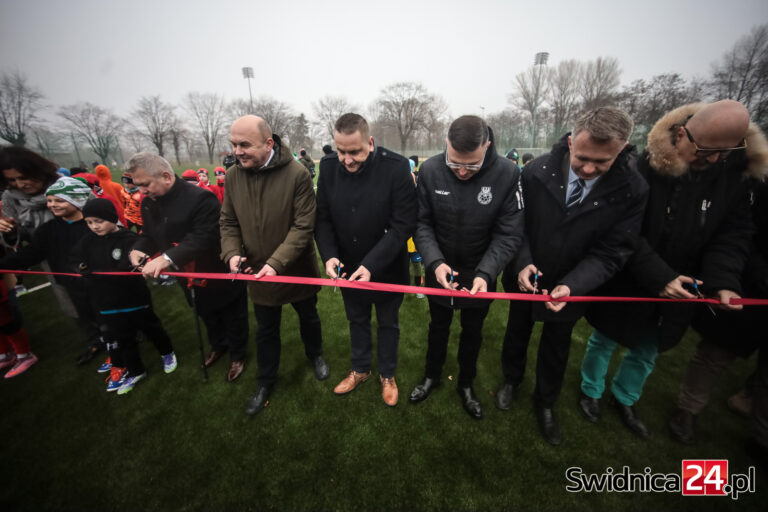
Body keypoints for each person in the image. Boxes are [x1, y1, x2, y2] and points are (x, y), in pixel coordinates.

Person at [576, 100, 762, 440]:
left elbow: (733, 234)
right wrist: (660, 277)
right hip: (631, 274)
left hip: (685, 285)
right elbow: (623, 230)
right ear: (681, 134)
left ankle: (625, 398)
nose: (714, 159)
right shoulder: (641, 167)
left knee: (649, 348)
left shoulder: (735, 177)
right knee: (604, 339)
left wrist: (724, 281)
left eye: (724, 152)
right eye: (705, 150)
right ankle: (591, 391)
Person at [497, 106, 649, 445]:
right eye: (582, 158)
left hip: (574, 284)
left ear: (622, 149)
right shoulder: (535, 171)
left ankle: (546, 401)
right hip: (527, 276)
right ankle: (511, 380)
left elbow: (615, 249)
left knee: (557, 344)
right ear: (569, 141)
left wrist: (573, 284)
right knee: (516, 330)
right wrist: (523, 262)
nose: (590, 168)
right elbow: (515, 225)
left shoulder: (633, 189)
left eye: (603, 161)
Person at [410, 115, 525, 419]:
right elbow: (421, 223)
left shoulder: (508, 173)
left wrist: (486, 273)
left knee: (473, 331)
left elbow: (508, 233)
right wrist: (435, 262)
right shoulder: (432, 169)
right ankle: (431, 376)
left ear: (487, 145)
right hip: (440, 270)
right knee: (438, 327)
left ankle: (466, 383)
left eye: (471, 165)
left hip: (480, 273)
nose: (461, 171)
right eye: (455, 162)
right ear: (446, 144)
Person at [221, 115, 328, 416]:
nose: (237, 151)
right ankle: (266, 381)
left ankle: (316, 355)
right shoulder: (233, 176)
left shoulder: (297, 173)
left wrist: (277, 262)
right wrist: (231, 253)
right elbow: (228, 221)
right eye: (233, 144)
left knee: (309, 317)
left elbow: (304, 225)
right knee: (266, 329)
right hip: (258, 272)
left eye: (245, 145)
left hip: (296, 269)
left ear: (269, 143)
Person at [315, 113, 417, 407]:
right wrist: (330, 256)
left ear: (370, 143)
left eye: (354, 152)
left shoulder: (396, 168)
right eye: (341, 151)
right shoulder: (328, 166)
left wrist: (371, 265)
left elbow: (403, 225)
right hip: (347, 266)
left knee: (388, 323)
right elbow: (323, 220)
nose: (346, 159)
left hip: (387, 267)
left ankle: (387, 374)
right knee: (356, 319)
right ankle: (360, 369)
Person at [126, 153, 249, 383]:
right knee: (205, 313)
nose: (142, 191)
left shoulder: (201, 198)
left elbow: (204, 237)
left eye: (145, 184)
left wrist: (166, 258)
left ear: (165, 176)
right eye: (138, 186)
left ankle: (238, 354)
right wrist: (138, 248)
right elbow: (149, 234)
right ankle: (218, 345)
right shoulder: (148, 203)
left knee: (232, 316)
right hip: (187, 276)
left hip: (218, 271)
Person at [669, 179, 768, 444]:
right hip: (747, 286)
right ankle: (688, 409)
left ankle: (761, 434)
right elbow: (741, 234)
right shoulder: (756, 188)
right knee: (715, 354)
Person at [73, 198, 178, 394]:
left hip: (134, 299)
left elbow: (136, 264)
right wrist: (82, 268)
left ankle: (167, 353)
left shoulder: (129, 239)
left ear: (112, 218)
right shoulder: (86, 242)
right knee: (122, 339)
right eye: (89, 222)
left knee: (152, 329)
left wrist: (126, 269)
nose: (94, 226)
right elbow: (76, 259)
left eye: (99, 221)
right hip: (106, 302)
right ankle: (135, 370)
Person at [0, 177, 101, 362]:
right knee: (85, 316)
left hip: (100, 283)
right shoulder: (47, 230)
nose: (52, 205)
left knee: (109, 316)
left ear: (77, 199)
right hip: (72, 285)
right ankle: (100, 342)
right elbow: (31, 253)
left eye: (59, 200)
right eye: (50, 200)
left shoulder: (94, 225)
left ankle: (120, 344)